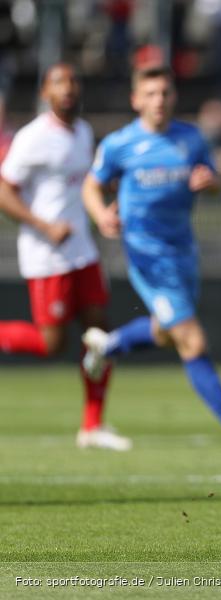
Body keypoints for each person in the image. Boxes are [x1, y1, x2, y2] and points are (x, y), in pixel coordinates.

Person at [80, 65, 221, 453]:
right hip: (148, 256)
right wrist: (101, 214)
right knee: (191, 338)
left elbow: (214, 179)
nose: (158, 100)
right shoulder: (121, 144)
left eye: (165, 93)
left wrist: (211, 183)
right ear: (136, 100)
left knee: (167, 330)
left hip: (183, 250)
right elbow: (91, 185)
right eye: (150, 94)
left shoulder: (190, 138)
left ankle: (109, 346)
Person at [0, 63, 130, 451]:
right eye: (59, 82)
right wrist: (44, 226)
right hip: (46, 255)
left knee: (100, 336)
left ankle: (92, 424)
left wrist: (107, 205)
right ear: (45, 92)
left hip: (82, 251)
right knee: (51, 344)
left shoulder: (84, 131)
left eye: (73, 81)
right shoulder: (32, 138)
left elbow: (85, 184)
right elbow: (5, 191)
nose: (68, 88)